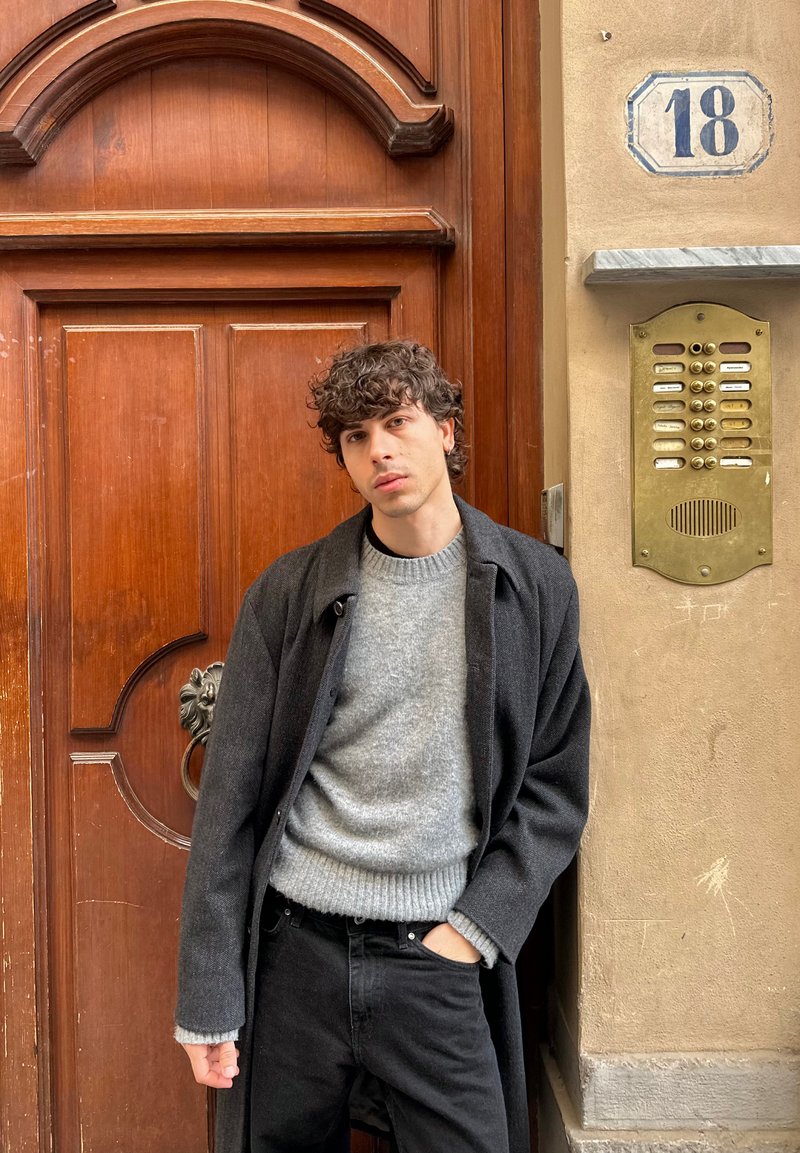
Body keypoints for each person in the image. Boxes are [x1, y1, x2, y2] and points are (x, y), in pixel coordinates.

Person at [175, 339, 591, 1153]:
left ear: (444, 428)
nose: (379, 451)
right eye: (356, 437)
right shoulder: (292, 591)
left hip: (436, 954)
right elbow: (228, 806)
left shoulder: (533, 586)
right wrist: (208, 994)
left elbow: (555, 786)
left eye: (397, 422)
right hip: (297, 954)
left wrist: (474, 929)